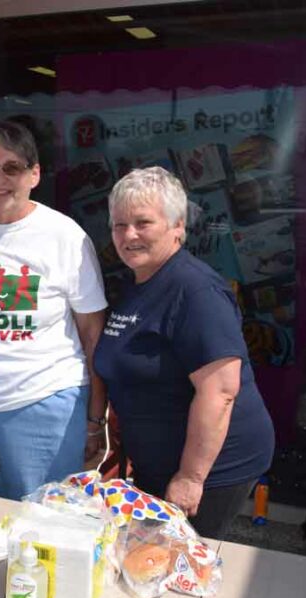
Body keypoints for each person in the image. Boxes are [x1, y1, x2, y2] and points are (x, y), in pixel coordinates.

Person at [0, 120, 108, 501]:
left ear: (35, 174)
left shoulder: (65, 236)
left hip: (42, 406)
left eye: (12, 168)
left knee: (43, 523)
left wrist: (96, 419)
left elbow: (93, 334)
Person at [94, 167, 275, 538]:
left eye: (143, 223)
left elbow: (221, 391)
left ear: (178, 226)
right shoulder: (141, 281)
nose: (128, 235)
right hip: (158, 463)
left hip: (213, 470)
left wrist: (191, 477)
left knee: (179, 567)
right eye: (119, 225)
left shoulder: (195, 291)